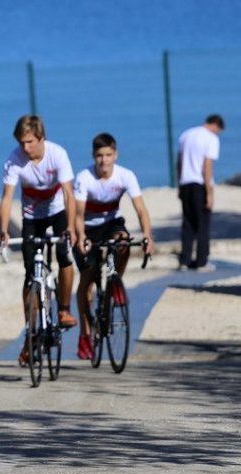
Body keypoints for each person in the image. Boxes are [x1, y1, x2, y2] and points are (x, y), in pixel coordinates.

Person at [0, 115, 78, 366]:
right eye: (21, 142)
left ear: (42, 138)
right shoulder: (14, 160)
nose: (25, 148)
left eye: (30, 142)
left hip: (58, 210)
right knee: (30, 273)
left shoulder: (57, 154)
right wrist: (3, 230)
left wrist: (71, 228)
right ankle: (31, 332)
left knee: (64, 256)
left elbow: (69, 194)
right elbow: (7, 198)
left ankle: (63, 308)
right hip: (32, 214)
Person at [73, 133, 154, 360]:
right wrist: (80, 237)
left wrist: (148, 236)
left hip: (111, 224)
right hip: (86, 227)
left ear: (115, 155)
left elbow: (141, 209)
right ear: (93, 157)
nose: (104, 161)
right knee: (87, 280)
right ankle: (85, 333)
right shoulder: (84, 178)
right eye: (99, 156)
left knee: (123, 242)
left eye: (108, 155)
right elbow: (77, 214)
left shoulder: (125, 175)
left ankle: (116, 280)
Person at [176, 114, 225, 272]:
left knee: (188, 223)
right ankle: (202, 261)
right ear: (216, 126)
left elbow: (179, 161)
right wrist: (209, 192)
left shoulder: (186, 134)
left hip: (185, 183)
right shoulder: (210, 138)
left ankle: (185, 259)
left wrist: (179, 184)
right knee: (203, 224)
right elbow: (207, 166)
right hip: (200, 184)